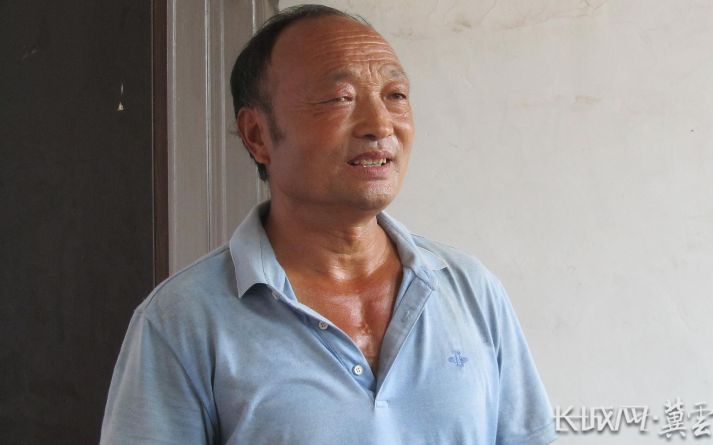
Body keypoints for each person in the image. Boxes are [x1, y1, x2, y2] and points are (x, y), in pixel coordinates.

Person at [100, 5, 556, 445]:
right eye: (341, 98)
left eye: (395, 96)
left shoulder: (469, 289)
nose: (380, 125)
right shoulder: (181, 321)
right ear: (257, 135)